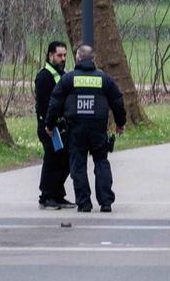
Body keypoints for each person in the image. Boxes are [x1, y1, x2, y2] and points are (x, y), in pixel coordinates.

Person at [45, 42, 126, 213]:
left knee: (78, 165)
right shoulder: (104, 78)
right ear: (93, 59)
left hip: (76, 128)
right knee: (101, 162)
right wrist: (120, 122)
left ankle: (84, 203)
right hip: (98, 128)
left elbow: (55, 102)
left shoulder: (69, 78)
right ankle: (106, 202)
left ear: (78, 58)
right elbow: (117, 100)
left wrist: (50, 124)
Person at [34, 40, 73, 208]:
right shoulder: (44, 76)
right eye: (59, 55)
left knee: (64, 159)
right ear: (50, 55)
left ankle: (57, 194)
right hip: (50, 128)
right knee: (52, 159)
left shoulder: (61, 74)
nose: (62, 58)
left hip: (61, 126)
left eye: (64, 55)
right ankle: (46, 196)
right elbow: (44, 105)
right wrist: (49, 125)